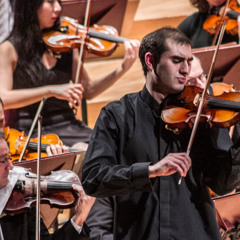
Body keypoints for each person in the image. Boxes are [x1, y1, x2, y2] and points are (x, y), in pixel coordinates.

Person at [81, 27, 240, 240]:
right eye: (177, 60)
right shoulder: (117, 116)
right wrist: (150, 170)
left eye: (189, 61)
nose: (185, 69)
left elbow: (223, 185)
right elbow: (93, 178)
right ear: (150, 61)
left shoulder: (202, 117)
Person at [0, 0, 140, 148]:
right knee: (84, 151)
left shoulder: (66, 42)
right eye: (50, 2)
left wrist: (122, 69)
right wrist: (51, 91)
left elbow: (88, 90)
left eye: (58, 2)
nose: (58, 8)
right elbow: (4, 98)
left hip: (69, 125)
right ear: (31, 6)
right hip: (32, 130)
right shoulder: (8, 49)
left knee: (117, 146)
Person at [0, 128, 96, 240]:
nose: (11, 166)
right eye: (3, 160)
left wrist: (78, 219)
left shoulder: (19, 199)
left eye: (9, 157)